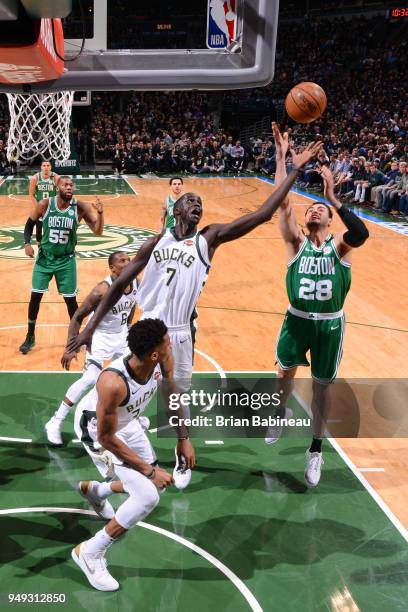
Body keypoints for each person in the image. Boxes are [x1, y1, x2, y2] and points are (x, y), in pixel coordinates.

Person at [64, 131, 323, 483]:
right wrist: (88, 328)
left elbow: (263, 214)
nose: (197, 204)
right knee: (127, 383)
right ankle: (101, 425)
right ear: (176, 209)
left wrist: (293, 169)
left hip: (180, 332)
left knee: (176, 393)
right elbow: (120, 284)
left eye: (200, 201)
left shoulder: (209, 238)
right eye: (190, 200)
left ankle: (179, 451)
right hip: (147, 326)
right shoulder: (155, 242)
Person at [266, 123, 369, 487]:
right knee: (283, 375)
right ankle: (279, 413)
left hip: (329, 324)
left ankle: (315, 450)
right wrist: (281, 157)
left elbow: (361, 233)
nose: (313, 211)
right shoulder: (296, 242)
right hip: (296, 320)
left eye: (319, 209)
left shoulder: (340, 246)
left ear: (328, 219)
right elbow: (281, 203)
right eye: (310, 207)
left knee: (322, 388)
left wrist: (333, 196)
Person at [71, 318, 195, 592]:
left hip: (127, 425)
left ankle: (99, 491)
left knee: (151, 489)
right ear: (154, 353)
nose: (170, 343)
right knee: (148, 495)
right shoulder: (113, 382)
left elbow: (171, 393)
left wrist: (183, 439)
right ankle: (90, 552)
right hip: (98, 431)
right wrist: (149, 470)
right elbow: (105, 437)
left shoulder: (163, 360)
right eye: (166, 342)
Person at [45, 251, 138, 446]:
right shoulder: (101, 290)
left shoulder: (136, 282)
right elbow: (78, 316)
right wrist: (71, 347)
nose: (128, 262)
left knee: (129, 381)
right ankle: (55, 421)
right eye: (122, 261)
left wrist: (128, 327)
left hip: (121, 339)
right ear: (112, 268)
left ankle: (126, 423)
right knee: (90, 379)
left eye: (129, 259)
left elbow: (131, 305)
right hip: (100, 339)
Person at [19, 176, 104, 354]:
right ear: (57, 188)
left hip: (66, 260)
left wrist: (101, 214)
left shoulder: (80, 207)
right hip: (45, 259)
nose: (69, 187)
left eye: (71, 185)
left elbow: (98, 231)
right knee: (35, 297)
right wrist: (27, 244)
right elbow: (28, 226)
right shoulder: (44, 204)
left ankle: (75, 338)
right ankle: (30, 336)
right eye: (65, 185)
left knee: (70, 301)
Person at [29, 160, 59, 246]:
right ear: (41, 167)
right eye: (44, 165)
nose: (46, 167)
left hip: (52, 206)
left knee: (54, 226)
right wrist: (37, 207)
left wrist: (56, 206)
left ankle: (54, 244)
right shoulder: (35, 178)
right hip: (40, 207)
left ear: (51, 167)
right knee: (39, 227)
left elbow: (59, 194)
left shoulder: (56, 177)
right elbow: (31, 195)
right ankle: (39, 245)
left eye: (48, 165)